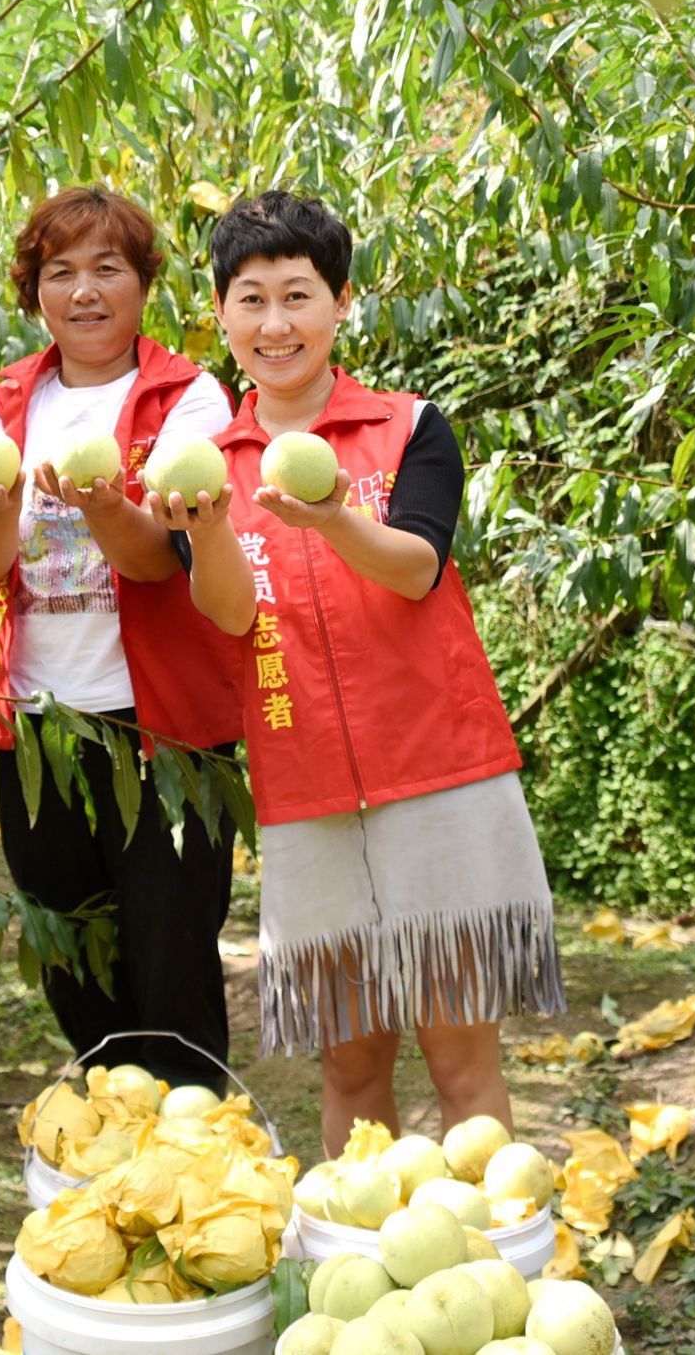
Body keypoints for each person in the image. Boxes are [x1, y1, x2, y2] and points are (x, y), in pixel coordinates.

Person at [154, 191, 565, 1155]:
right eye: (251, 300)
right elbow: (227, 613)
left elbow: (418, 567)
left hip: (443, 778)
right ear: (221, 317)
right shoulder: (201, 468)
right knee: (350, 1068)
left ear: (341, 303)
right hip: (307, 796)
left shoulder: (411, 427)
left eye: (298, 295)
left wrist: (335, 513)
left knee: (464, 1063)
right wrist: (209, 528)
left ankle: (486, 1273)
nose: (276, 323)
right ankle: (363, 1285)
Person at [0, 187, 244, 1088]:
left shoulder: (187, 397)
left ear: (144, 283)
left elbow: (161, 562)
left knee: (171, 957)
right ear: (33, 289)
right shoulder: (3, 403)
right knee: (70, 948)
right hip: (37, 727)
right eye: (60, 271)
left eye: (107, 268)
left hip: (162, 733)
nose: (84, 290)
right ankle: (121, 1127)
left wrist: (107, 505)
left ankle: (193, 1150)